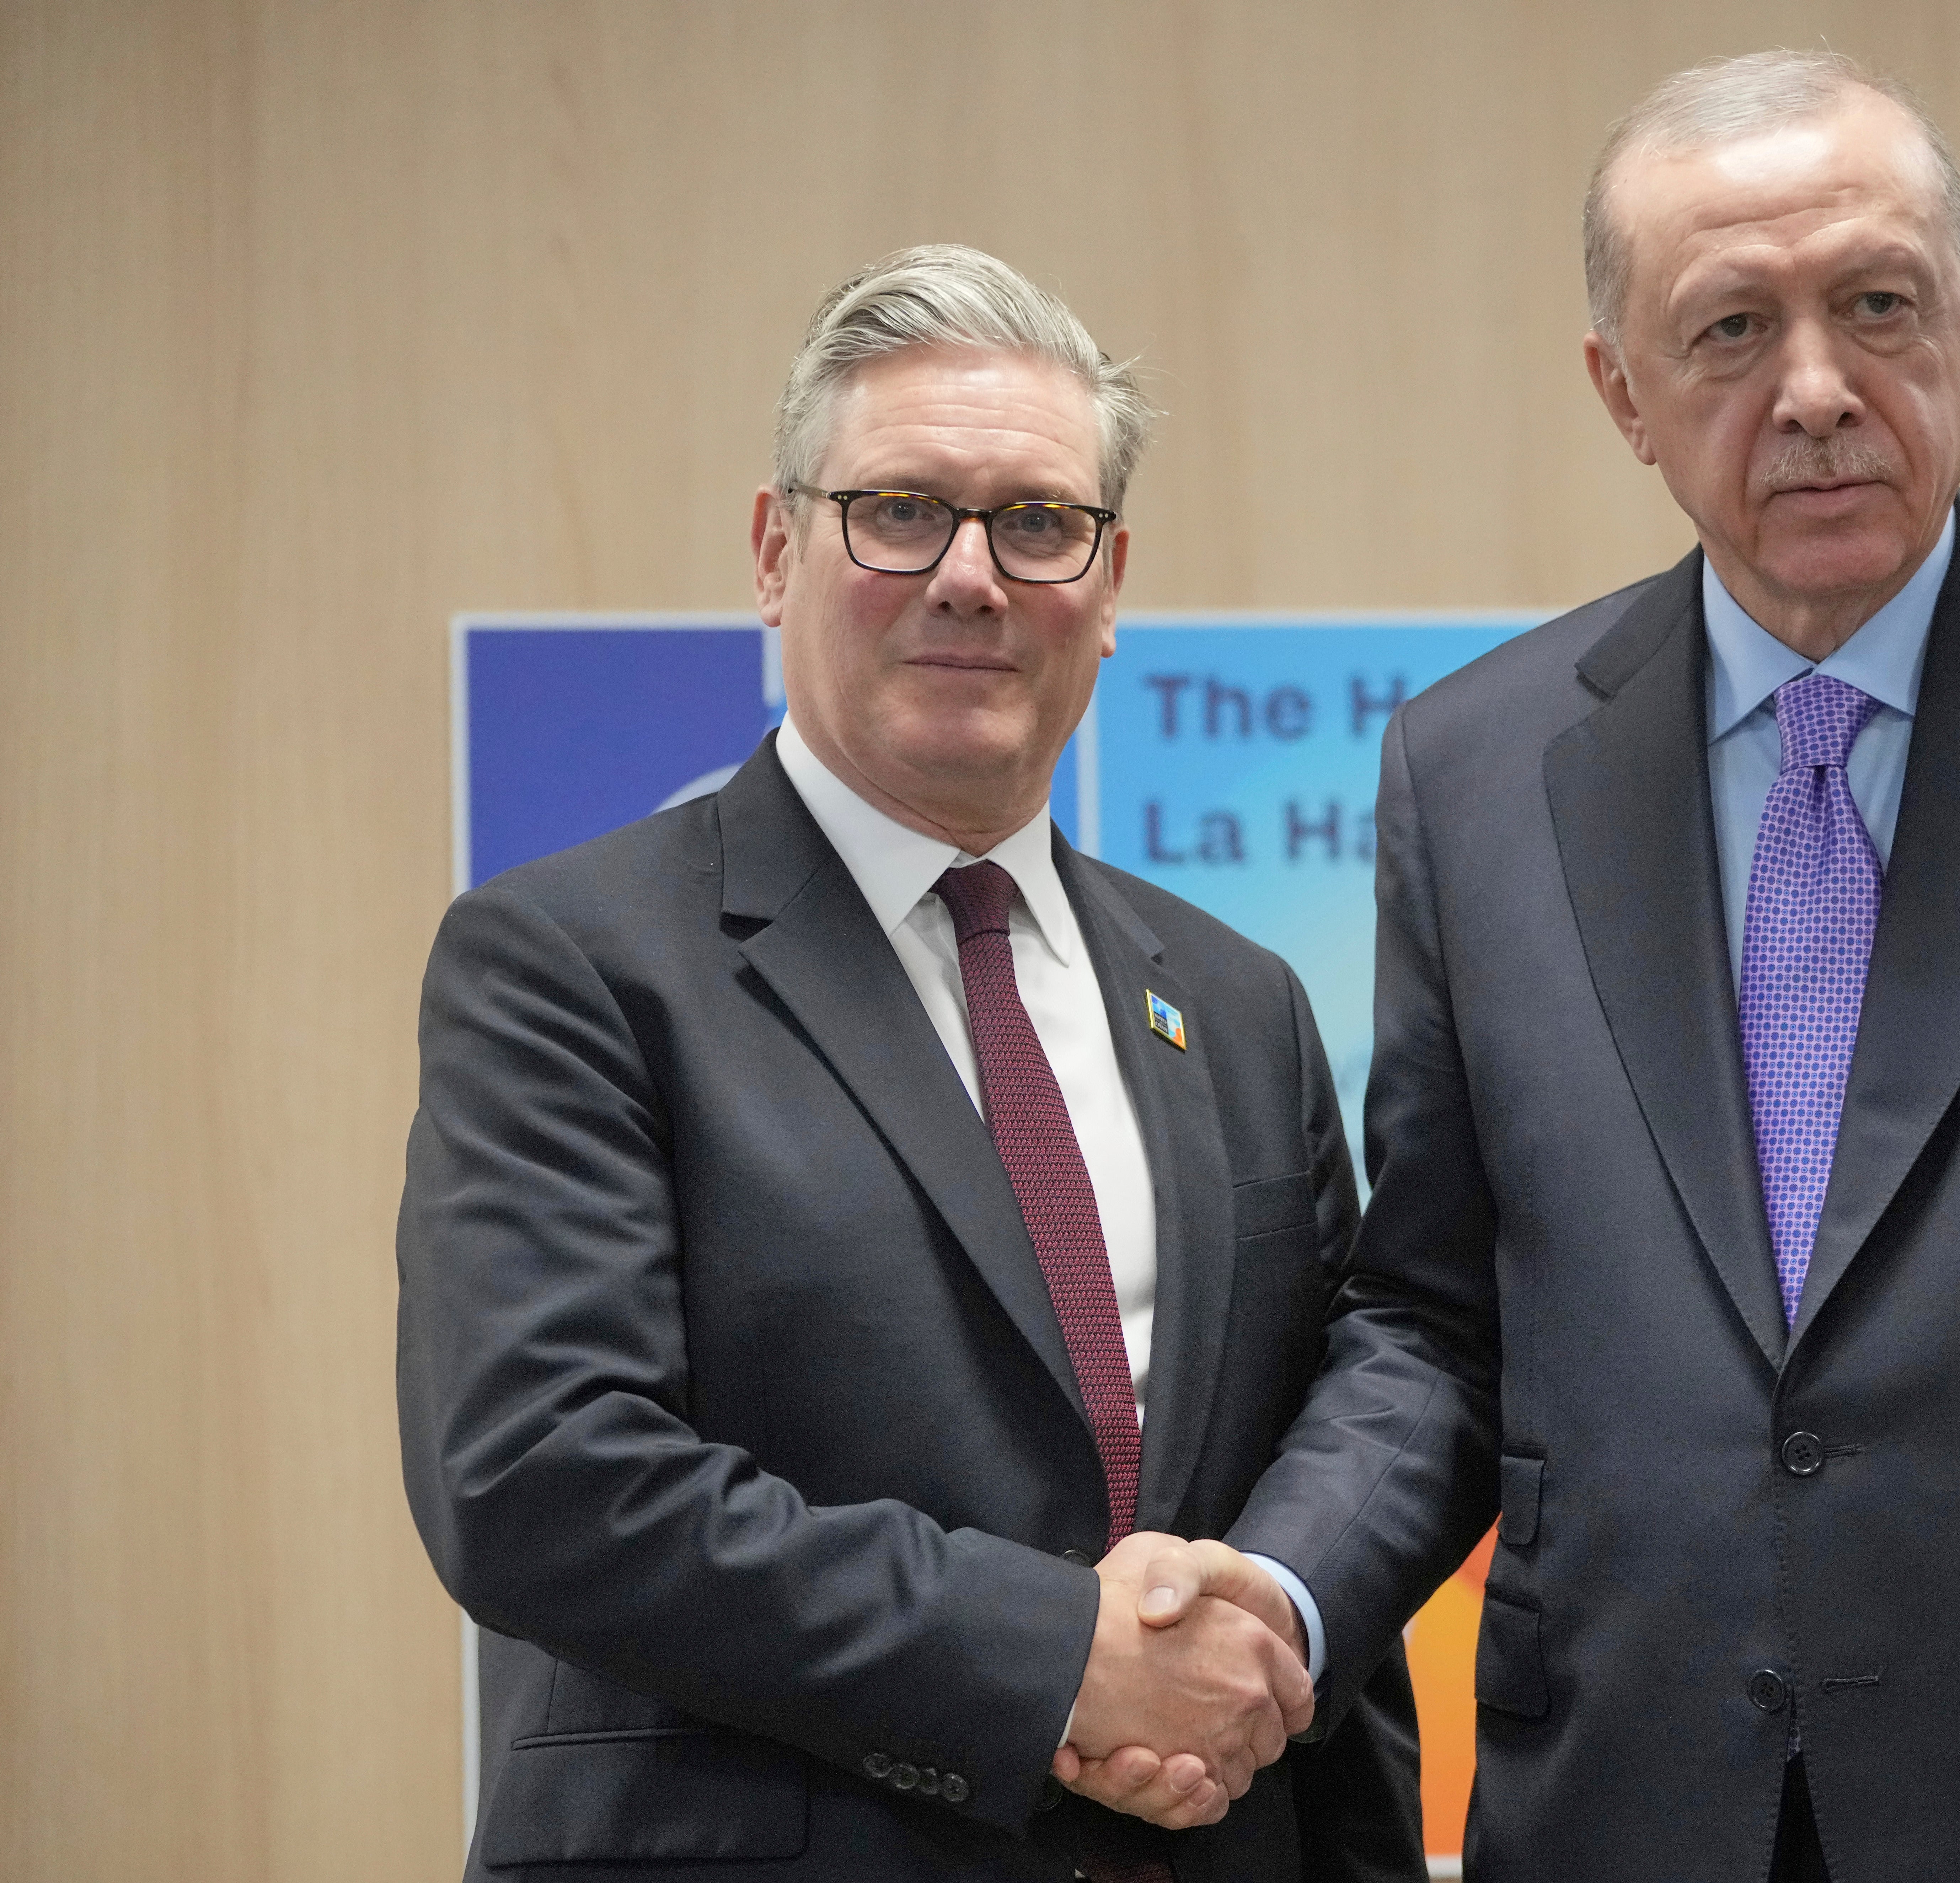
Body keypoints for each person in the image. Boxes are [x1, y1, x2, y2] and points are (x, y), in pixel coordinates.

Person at [1153, 48, 1960, 1882]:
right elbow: (1441, 1325)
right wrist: (1282, 1597)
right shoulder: (1475, 771)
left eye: (1877, 306)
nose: (1815, 392)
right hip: (1634, 1805)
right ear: (1620, 392)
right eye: (1726, 332)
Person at [396, 245, 1422, 1883]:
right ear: (772, 548)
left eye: (1035, 522)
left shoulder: (1236, 1001)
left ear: (1107, 583)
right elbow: (542, 1477)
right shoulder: (571, 962)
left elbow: (1319, 1458)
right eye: (899, 510)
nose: (969, 575)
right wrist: (1053, 1659)